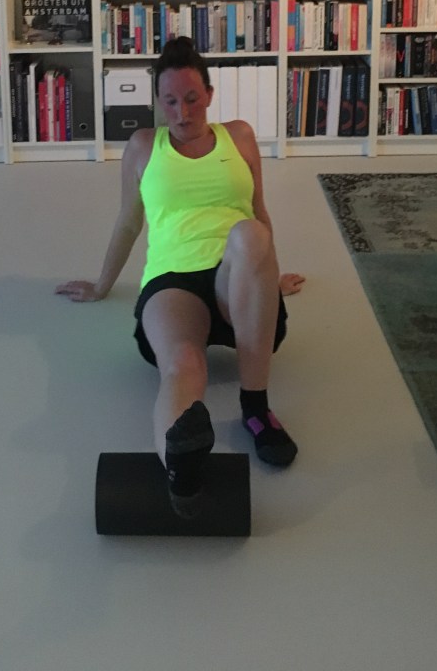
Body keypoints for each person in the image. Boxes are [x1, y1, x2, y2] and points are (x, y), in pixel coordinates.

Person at [56, 37, 303, 517]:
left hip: (234, 276)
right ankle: (180, 468)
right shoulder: (143, 147)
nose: (182, 112)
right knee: (184, 364)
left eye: (191, 98)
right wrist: (102, 285)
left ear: (209, 94)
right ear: (158, 101)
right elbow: (129, 222)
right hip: (173, 281)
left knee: (250, 233)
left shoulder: (240, 137)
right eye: (170, 101)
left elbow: (260, 211)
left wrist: (267, 276)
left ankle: (256, 410)